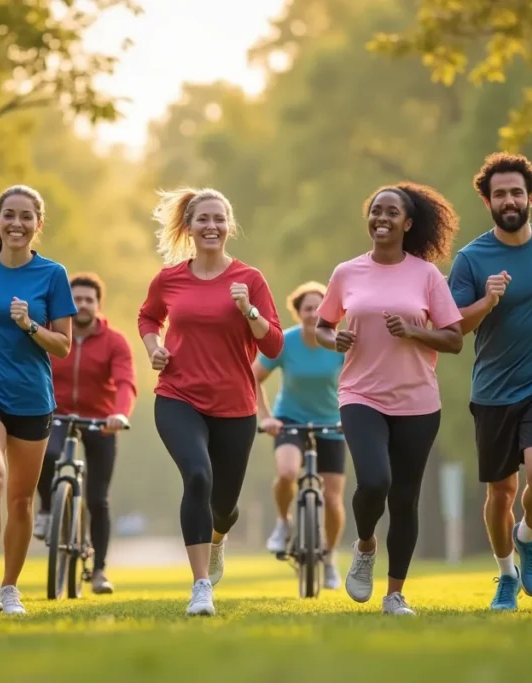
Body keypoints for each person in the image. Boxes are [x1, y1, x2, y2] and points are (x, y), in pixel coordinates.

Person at [447, 152, 532, 612]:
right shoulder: (471, 259)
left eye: (517, 192)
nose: (509, 200)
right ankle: (505, 575)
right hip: (492, 390)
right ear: (488, 201)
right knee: (501, 492)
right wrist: (486, 301)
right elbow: (455, 327)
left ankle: (528, 538)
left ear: (531, 197)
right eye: (500, 193)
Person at [315, 182, 463, 616]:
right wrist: (333, 339)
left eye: (391, 212)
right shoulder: (346, 272)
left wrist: (414, 330)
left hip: (418, 402)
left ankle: (395, 594)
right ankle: (364, 546)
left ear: (408, 223)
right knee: (375, 480)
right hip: (360, 393)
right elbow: (323, 325)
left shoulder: (427, 275)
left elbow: (453, 339)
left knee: (404, 499)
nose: (381, 218)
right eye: (375, 211)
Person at [138, 187, 284, 617]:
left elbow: (273, 344)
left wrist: (249, 312)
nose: (211, 226)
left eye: (219, 219)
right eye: (203, 219)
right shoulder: (170, 278)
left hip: (236, 406)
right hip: (178, 396)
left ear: (229, 226)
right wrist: (153, 348)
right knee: (197, 477)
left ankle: (218, 537)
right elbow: (148, 316)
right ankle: (201, 586)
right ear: (188, 226)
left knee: (224, 506)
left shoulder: (250, 280)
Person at [0, 185, 77, 615]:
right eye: (9, 215)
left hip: (31, 397)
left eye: (26, 217)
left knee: (21, 500)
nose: (17, 224)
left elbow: (63, 346)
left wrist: (29, 326)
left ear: (37, 225)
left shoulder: (52, 275)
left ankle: (9, 588)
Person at [34, 271, 137, 595]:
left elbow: (125, 383)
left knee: (98, 499)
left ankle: (100, 570)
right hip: (57, 414)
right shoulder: (50, 333)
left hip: (101, 421)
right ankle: (48, 509)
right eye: (76, 299)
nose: (82, 305)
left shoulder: (115, 342)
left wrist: (120, 414)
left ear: (98, 305)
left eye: (88, 300)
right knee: (46, 454)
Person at [255, 281, 346, 590]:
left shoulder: (338, 344)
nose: (313, 314)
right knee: (287, 472)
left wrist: (353, 416)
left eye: (319, 308)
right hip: (289, 420)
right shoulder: (285, 343)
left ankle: (329, 557)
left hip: (332, 422)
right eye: (307, 308)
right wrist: (266, 418)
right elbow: (253, 379)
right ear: (297, 313)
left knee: (333, 500)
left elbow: (357, 382)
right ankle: (284, 522)